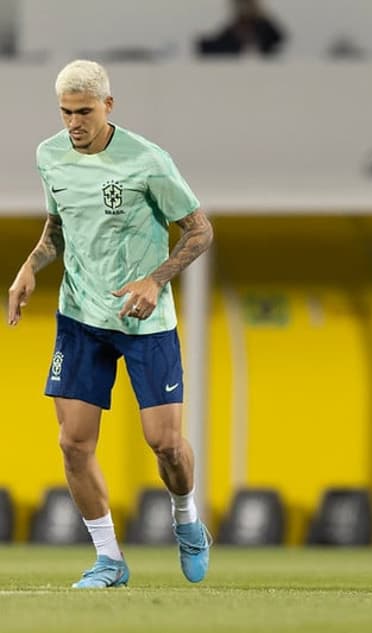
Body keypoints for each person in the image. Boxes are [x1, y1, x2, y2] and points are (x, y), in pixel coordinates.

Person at [6, 60, 214, 588]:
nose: (73, 122)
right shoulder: (49, 156)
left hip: (145, 321)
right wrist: (31, 267)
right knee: (73, 443)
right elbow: (58, 225)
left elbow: (199, 230)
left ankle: (187, 519)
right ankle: (109, 559)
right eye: (65, 112)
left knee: (165, 444)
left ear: (108, 106)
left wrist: (155, 279)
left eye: (84, 111)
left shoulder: (146, 160)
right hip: (80, 318)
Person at [197, 0, 284, 57]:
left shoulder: (264, 26)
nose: (243, 9)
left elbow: (278, 39)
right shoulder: (235, 28)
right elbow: (210, 46)